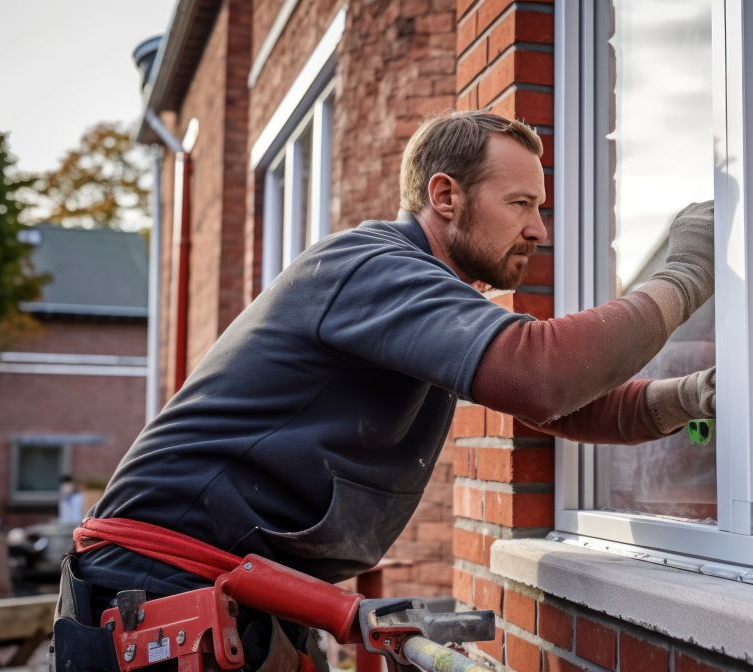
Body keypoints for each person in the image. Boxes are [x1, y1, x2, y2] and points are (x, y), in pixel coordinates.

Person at [55, 111, 715, 670]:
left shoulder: (423, 301)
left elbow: (567, 402)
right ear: (446, 195)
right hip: (157, 589)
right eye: (520, 205)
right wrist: (685, 273)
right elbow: (543, 374)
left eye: (538, 209)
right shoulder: (373, 268)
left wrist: (690, 396)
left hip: (234, 593)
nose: (539, 230)